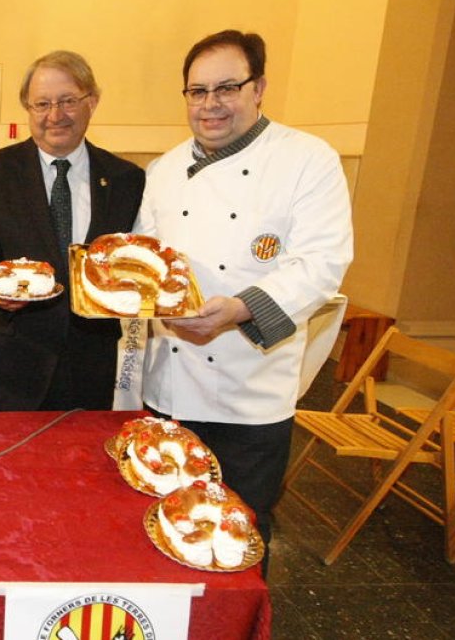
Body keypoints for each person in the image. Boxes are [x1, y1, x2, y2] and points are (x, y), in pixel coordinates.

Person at [134, 30, 353, 565]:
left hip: (249, 397)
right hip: (169, 390)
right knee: (163, 530)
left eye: (227, 87)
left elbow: (324, 262)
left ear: (259, 89)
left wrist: (240, 309)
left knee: (236, 534)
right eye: (197, 91)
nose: (211, 105)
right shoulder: (163, 171)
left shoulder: (307, 160)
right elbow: (147, 260)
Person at [0, 50, 145, 411]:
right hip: (14, 365)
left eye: (68, 101)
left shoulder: (126, 179)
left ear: (92, 102)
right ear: (27, 109)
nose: (54, 115)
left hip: (93, 366)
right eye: (42, 103)